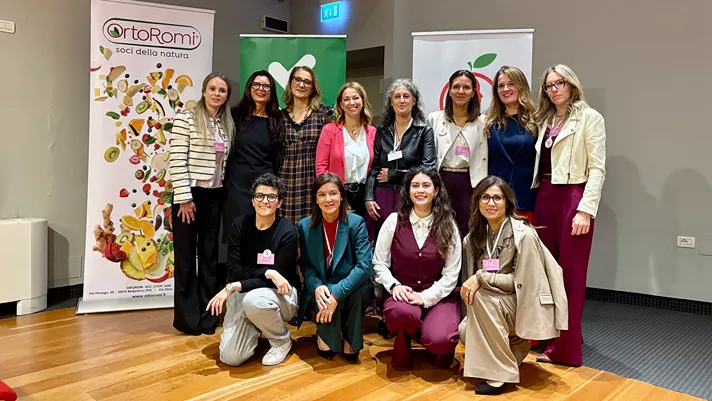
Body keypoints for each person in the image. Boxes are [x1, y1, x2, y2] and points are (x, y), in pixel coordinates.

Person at [458, 175, 568, 395]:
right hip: (493, 304)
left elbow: (522, 284)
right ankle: (517, 345)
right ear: (477, 202)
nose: (490, 203)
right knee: (464, 331)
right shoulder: (473, 238)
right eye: (485, 197)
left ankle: (499, 376)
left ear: (507, 203)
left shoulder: (524, 235)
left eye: (497, 198)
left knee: (481, 298)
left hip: (521, 303)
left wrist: (482, 277)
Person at [532, 64, 606, 367]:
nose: (554, 89)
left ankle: (566, 349)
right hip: (545, 195)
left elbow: (597, 169)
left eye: (559, 83)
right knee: (546, 272)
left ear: (571, 85)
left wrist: (585, 210)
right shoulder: (546, 120)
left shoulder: (590, 117)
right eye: (549, 85)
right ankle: (552, 334)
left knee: (571, 276)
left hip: (573, 198)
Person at [372, 166, 462, 371]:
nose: (420, 190)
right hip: (403, 294)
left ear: (436, 191)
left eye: (426, 185)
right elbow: (379, 263)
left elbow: (451, 274)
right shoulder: (393, 221)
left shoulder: (449, 225)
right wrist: (394, 286)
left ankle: (427, 334)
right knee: (402, 313)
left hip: (440, 295)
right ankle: (406, 334)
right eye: (415, 186)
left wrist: (425, 297)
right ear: (408, 191)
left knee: (441, 340)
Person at [206, 173, 299, 366]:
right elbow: (233, 269)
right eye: (260, 196)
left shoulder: (288, 231)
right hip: (244, 293)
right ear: (253, 200)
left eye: (271, 197)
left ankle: (281, 340)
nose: (265, 201)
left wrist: (233, 286)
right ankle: (257, 324)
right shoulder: (239, 226)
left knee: (254, 300)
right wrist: (268, 272)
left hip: (280, 295)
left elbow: (279, 281)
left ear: (279, 203)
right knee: (231, 358)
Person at [169, 72, 235, 336]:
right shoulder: (186, 118)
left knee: (209, 256)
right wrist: (184, 198)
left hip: (214, 196)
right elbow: (176, 159)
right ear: (204, 91)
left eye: (222, 90)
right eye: (213, 88)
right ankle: (188, 319)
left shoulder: (225, 123)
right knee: (186, 257)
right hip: (189, 196)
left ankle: (209, 316)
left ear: (227, 96)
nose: (217, 94)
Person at [296, 173, 373, 363]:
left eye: (333, 193)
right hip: (323, 285)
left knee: (356, 291)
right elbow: (306, 265)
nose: (328, 199)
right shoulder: (305, 226)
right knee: (324, 293)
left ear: (342, 196)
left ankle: (350, 340)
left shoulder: (356, 223)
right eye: (322, 194)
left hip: (351, 284)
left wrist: (336, 294)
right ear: (315, 199)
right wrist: (316, 286)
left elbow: (364, 267)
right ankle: (328, 336)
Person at [365, 79, 436, 241]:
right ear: (391, 102)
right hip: (383, 194)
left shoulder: (424, 131)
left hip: (410, 194)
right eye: (397, 97)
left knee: (406, 240)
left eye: (406, 96)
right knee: (383, 240)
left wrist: (394, 174)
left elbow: (428, 169)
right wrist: (368, 197)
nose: (402, 100)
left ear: (414, 101)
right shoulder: (382, 130)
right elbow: (375, 167)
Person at [223, 70, 285, 246]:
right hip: (236, 186)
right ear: (249, 88)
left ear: (271, 91)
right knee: (238, 237)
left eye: (266, 86)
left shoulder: (277, 119)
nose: (261, 89)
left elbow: (278, 155)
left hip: (264, 187)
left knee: (263, 237)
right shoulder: (234, 115)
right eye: (256, 84)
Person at [427, 70, 487, 237]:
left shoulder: (483, 122)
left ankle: (465, 256)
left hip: (469, 182)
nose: (461, 91)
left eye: (466, 87)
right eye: (456, 87)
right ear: (449, 91)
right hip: (441, 180)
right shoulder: (434, 119)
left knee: (467, 228)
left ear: (474, 92)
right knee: (439, 226)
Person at [279, 66, 334, 225]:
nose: (301, 85)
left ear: (313, 88)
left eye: (307, 82)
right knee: (286, 230)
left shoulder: (324, 113)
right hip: (285, 181)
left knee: (314, 228)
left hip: (314, 181)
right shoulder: (279, 116)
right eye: (297, 79)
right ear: (290, 83)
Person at [485, 66, 538, 223]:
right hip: (495, 199)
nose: (505, 89)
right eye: (501, 86)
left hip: (527, 198)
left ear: (521, 86)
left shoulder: (537, 121)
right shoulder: (487, 122)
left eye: (511, 84)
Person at [315, 82, 376, 218]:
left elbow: (375, 168)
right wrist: (333, 196)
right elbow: (321, 167)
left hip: (365, 197)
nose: (351, 103)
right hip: (338, 194)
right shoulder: (329, 130)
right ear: (341, 105)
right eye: (346, 99)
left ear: (363, 101)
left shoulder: (372, 132)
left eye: (356, 98)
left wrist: (369, 197)